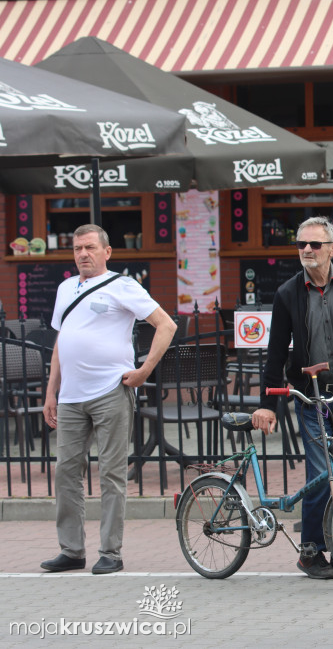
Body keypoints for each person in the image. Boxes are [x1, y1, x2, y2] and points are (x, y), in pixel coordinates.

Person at [41, 224, 177, 574]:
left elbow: (166, 325)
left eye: (89, 247)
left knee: (112, 474)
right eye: (77, 249)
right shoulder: (65, 287)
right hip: (70, 395)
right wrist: (50, 391)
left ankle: (110, 553)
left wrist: (145, 370)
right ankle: (71, 550)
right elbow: (61, 342)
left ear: (107, 252)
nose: (82, 254)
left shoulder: (124, 286)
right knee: (66, 472)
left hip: (110, 391)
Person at [252, 216, 333, 580]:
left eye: (314, 245)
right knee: (323, 474)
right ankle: (310, 551)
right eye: (301, 245)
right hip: (311, 400)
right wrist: (268, 403)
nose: (306, 250)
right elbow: (276, 353)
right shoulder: (288, 293)